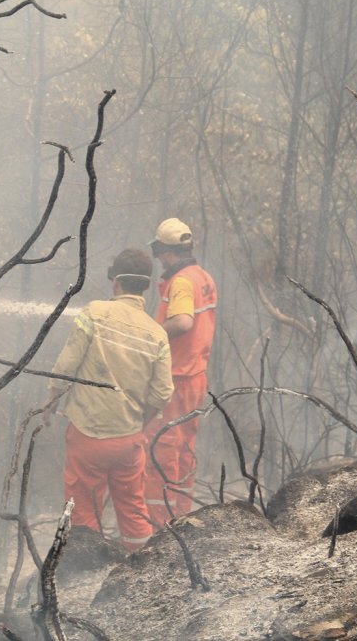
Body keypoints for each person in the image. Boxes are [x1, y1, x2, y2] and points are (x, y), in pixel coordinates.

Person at [44, 248, 174, 551]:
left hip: (87, 436)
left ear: (115, 281)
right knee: (133, 510)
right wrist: (139, 425)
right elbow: (162, 392)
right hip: (128, 441)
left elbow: (66, 366)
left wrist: (50, 401)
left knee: (83, 510)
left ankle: (87, 567)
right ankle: (141, 567)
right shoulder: (156, 333)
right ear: (146, 286)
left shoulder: (95, 313)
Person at [143, 218, 217, 525]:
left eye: (160, 251)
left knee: (161, 448)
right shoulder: (203, 277)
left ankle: (160, 523)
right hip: (195, 377)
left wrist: (150, 334)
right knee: (184, 447)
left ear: (166, 250)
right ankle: (182, 516)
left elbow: (183, 322)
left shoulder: (182, 282)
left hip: (175, 378)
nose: (159, 258)